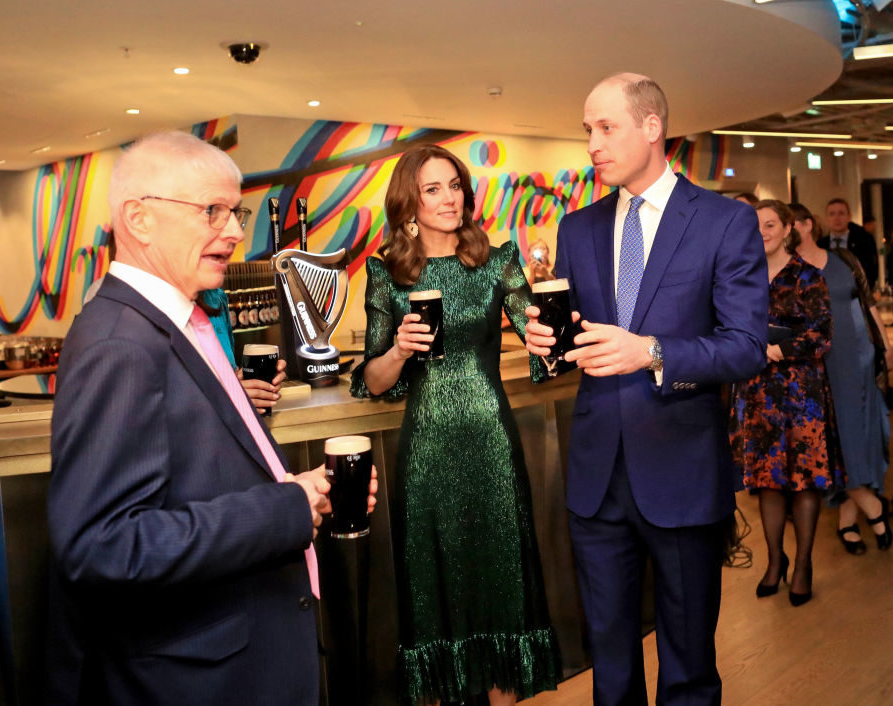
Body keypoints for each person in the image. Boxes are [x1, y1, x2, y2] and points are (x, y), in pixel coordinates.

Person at [47, 131, 376, 706]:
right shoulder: (120, 344)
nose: (234, 232)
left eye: (235, 212)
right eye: (211, 211)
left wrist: (308, 492)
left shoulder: (178, 323)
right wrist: (286, 509)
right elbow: (104, 547)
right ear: (139, 219)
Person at [524, 73, 768, 706]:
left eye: (606, 128)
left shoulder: (723, 222)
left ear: (652, 126)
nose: (593, 145)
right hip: (596, 481)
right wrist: (544, 344)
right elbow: (575, 346)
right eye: (588, 130)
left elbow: (746, 346)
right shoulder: (577, 229)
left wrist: (652, 351)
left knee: (687, 667)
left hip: (682, 474)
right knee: (610, 667)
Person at [351, 144, 559, 706]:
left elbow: (537, 336)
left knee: (502, 588)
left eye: (455, 185)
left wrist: (549, 337)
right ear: (409, 205)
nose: (449, 198)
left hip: (492, 443)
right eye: (432, 189)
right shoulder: (387, 275)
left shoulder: (497, 262)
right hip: (427, 452)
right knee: (434, 593)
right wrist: (398, 350)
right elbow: (373, 380)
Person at [730, 199, 842, 607]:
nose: (762, 232)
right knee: (767, 479)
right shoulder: (741, 278)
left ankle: (804, 564)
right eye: (756, 225)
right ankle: (776, 561)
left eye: (770, 224)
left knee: (804, 479)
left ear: (788, 228)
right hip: (758, 390)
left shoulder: (808, 276)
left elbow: (823, 334)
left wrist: (780, 349)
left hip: (801, 392)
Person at [791, 202, 893, 554]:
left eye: (789, 224)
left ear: (807, 224)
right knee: (837, 441)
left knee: (862, 436)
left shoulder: (844, 259)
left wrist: (884, 346)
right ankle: (874, 508)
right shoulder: (787, 269)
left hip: (858, 359)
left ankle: (848, 521)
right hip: (818, 367)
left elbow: (867, 303)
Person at [197, 287, 287, 414]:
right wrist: (228, 395)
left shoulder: (216, 296)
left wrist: (249, 382)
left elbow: (230, 375)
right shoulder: (168, 311)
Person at [820, 198, 879, 289]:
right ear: (826, 219)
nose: (837, 218)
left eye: (841, 213)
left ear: (849, 217)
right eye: (832, 214)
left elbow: (871, 273)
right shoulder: (820, 245)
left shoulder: (863, 243)